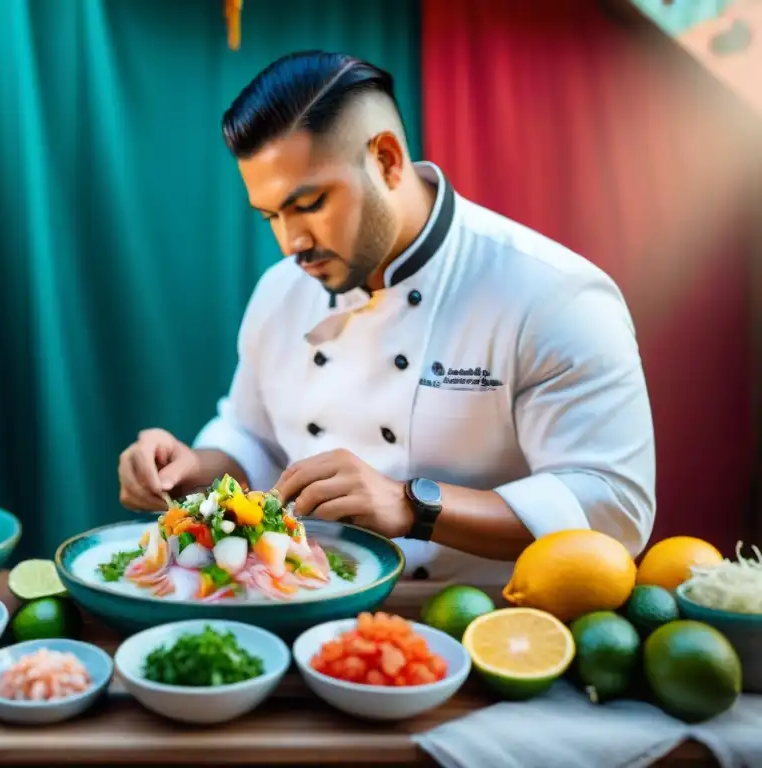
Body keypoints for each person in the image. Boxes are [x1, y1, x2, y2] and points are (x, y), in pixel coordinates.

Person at [117, 51, 656, 584]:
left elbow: (615, 508)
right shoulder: (280, 292)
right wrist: (191, 470)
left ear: (388, 160)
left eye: (310, 204)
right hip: (311, 611)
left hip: (488, 623)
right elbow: (254, 441)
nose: (291, 243)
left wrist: (414, 506)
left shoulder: (553, 295)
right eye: (271, 215)